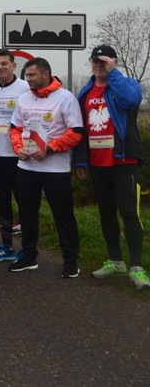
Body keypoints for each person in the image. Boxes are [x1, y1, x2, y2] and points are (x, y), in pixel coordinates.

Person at [74, 45, 149, 289]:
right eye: (95, 60)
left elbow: (131, 100)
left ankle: (137, 267)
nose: (98, 64)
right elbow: (81, 128)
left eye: (103, 60)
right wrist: (81, 160)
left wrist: (113, 72)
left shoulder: (126, 86)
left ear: (113, 62)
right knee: (106, 212)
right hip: (98, 163)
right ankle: (115, 261)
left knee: (128, 212)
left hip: (123, 160)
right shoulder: (85, 92)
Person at [8, 58, 83, 277]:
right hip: (27, 167)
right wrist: (18, 148)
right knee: (27, 214)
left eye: (32, 75)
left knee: (63, 215)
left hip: (55, 169)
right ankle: (29, 256)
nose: (28, 79)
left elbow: (76, 132)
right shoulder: (23, 98)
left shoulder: (65, 98)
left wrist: (49, 150)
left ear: (46, 74)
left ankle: (70, 260)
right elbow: (15, 128)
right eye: (26, 76)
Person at [0, 49, 30, 262]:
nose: (0, 67)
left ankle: (28, 248)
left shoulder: (25, 88)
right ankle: (6, 245)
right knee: (2, 202)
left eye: (4, 63)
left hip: (19, 156)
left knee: (24, 202)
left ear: (13, 66)